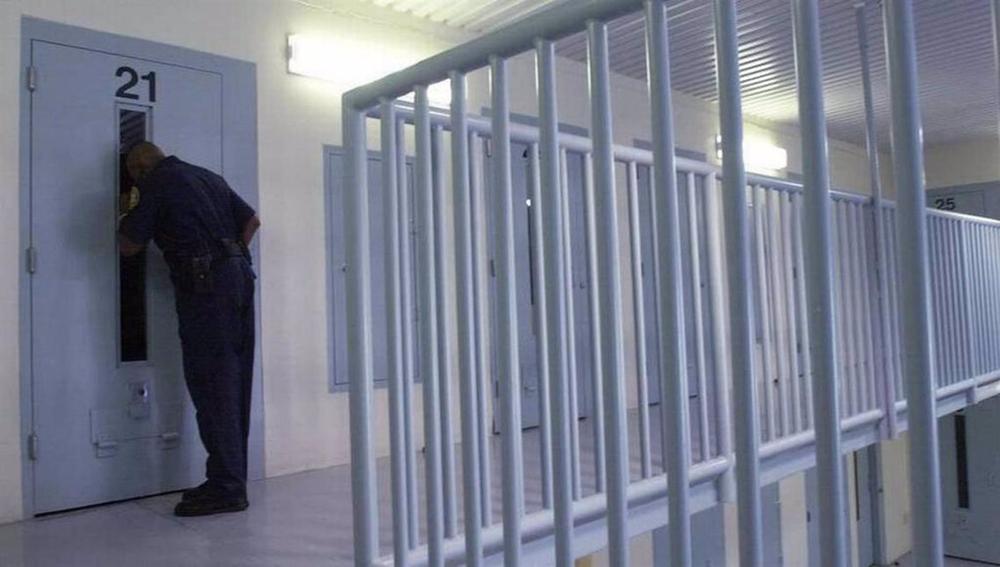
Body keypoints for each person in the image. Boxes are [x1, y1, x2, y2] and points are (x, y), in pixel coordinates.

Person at [118, 142, 261, 517]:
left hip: (205, 286)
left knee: (212, 383)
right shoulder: (208, 176)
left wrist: (128, 205)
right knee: (235, 381)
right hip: (240, 278)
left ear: (139, 168)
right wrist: (227, 257)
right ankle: (232, 479)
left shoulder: (156, 183)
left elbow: (128, 244)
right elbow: (251, 221)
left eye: (133, 174)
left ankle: (227, 487)